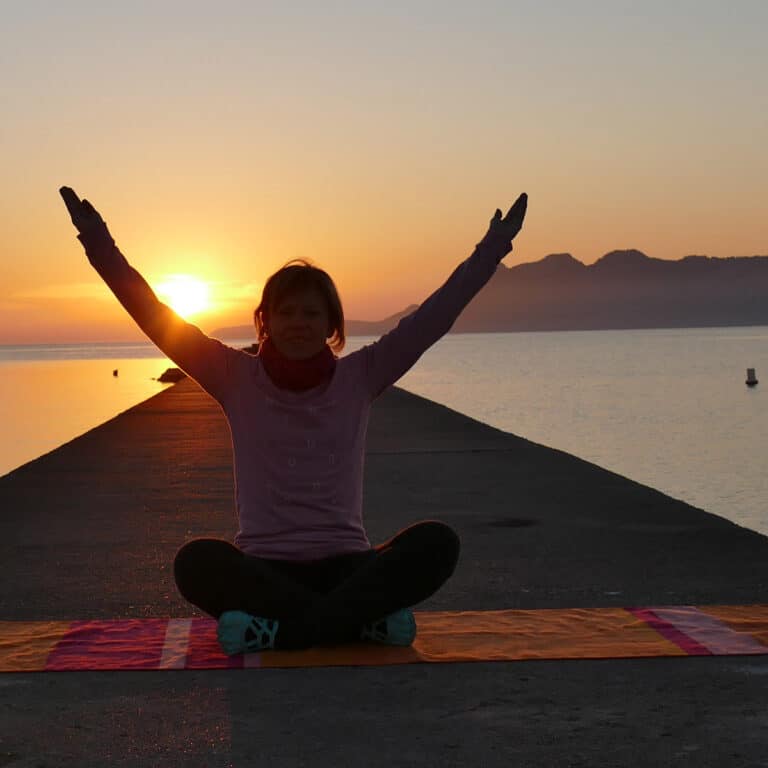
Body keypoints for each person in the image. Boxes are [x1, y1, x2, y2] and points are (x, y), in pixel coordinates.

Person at [60, 186, 528, 654]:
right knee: (195, 562)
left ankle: (284, 632)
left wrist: (491, 251)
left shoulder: (362, 376)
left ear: (331, 325)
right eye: (286, 313)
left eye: (311, 313)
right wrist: (100, 245)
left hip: (349, 565)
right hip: (266, 568)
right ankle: (356, 624)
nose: (298, 323)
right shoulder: (235, 377)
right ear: (265, 322)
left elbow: (434, 317)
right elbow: (154, 314)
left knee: (437, 543)